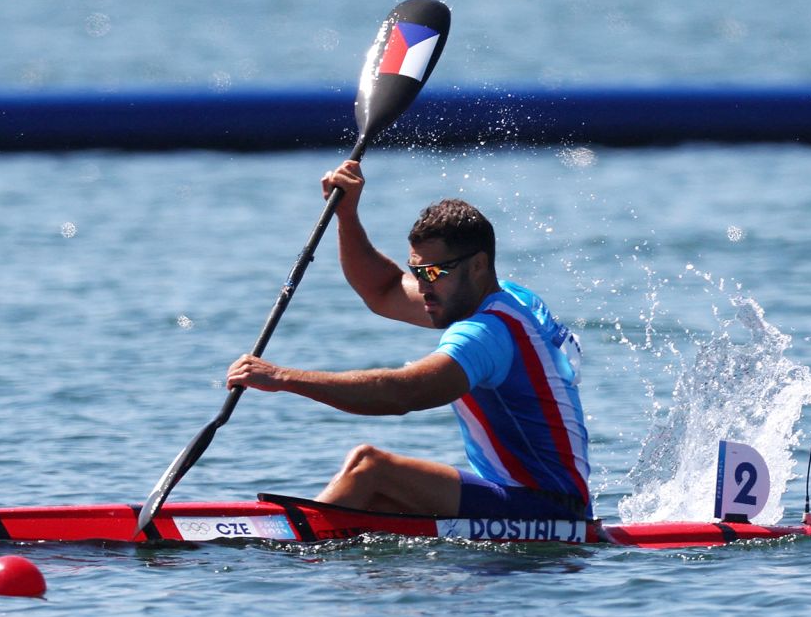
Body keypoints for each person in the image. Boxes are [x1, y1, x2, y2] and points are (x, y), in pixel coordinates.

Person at [227, 160, 591, 520]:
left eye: (433, 272)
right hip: (527, 498)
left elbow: (403, 394)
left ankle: (282, 547)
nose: (422, 286)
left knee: (369, 467)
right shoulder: (509, 299)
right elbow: (382, 288)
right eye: (417, 271)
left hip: (550, 509)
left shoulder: (486, 334)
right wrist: (347, 215)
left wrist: (283, 378)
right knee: (375, 502)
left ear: (478, 265)